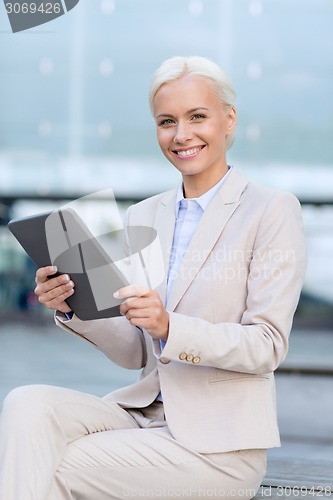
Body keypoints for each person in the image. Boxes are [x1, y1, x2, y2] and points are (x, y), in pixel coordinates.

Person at [0, 56, 307, 500]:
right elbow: (133, 352)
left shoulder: (271, 211)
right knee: (25, 404)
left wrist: (170, 326)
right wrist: (71, 305)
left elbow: (266, 345)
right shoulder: (144, 215)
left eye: (196, 116)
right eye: (167, 121)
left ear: (229, 119)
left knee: (51, 461)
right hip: (143, 414)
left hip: (219, 446)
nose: (181, 135)